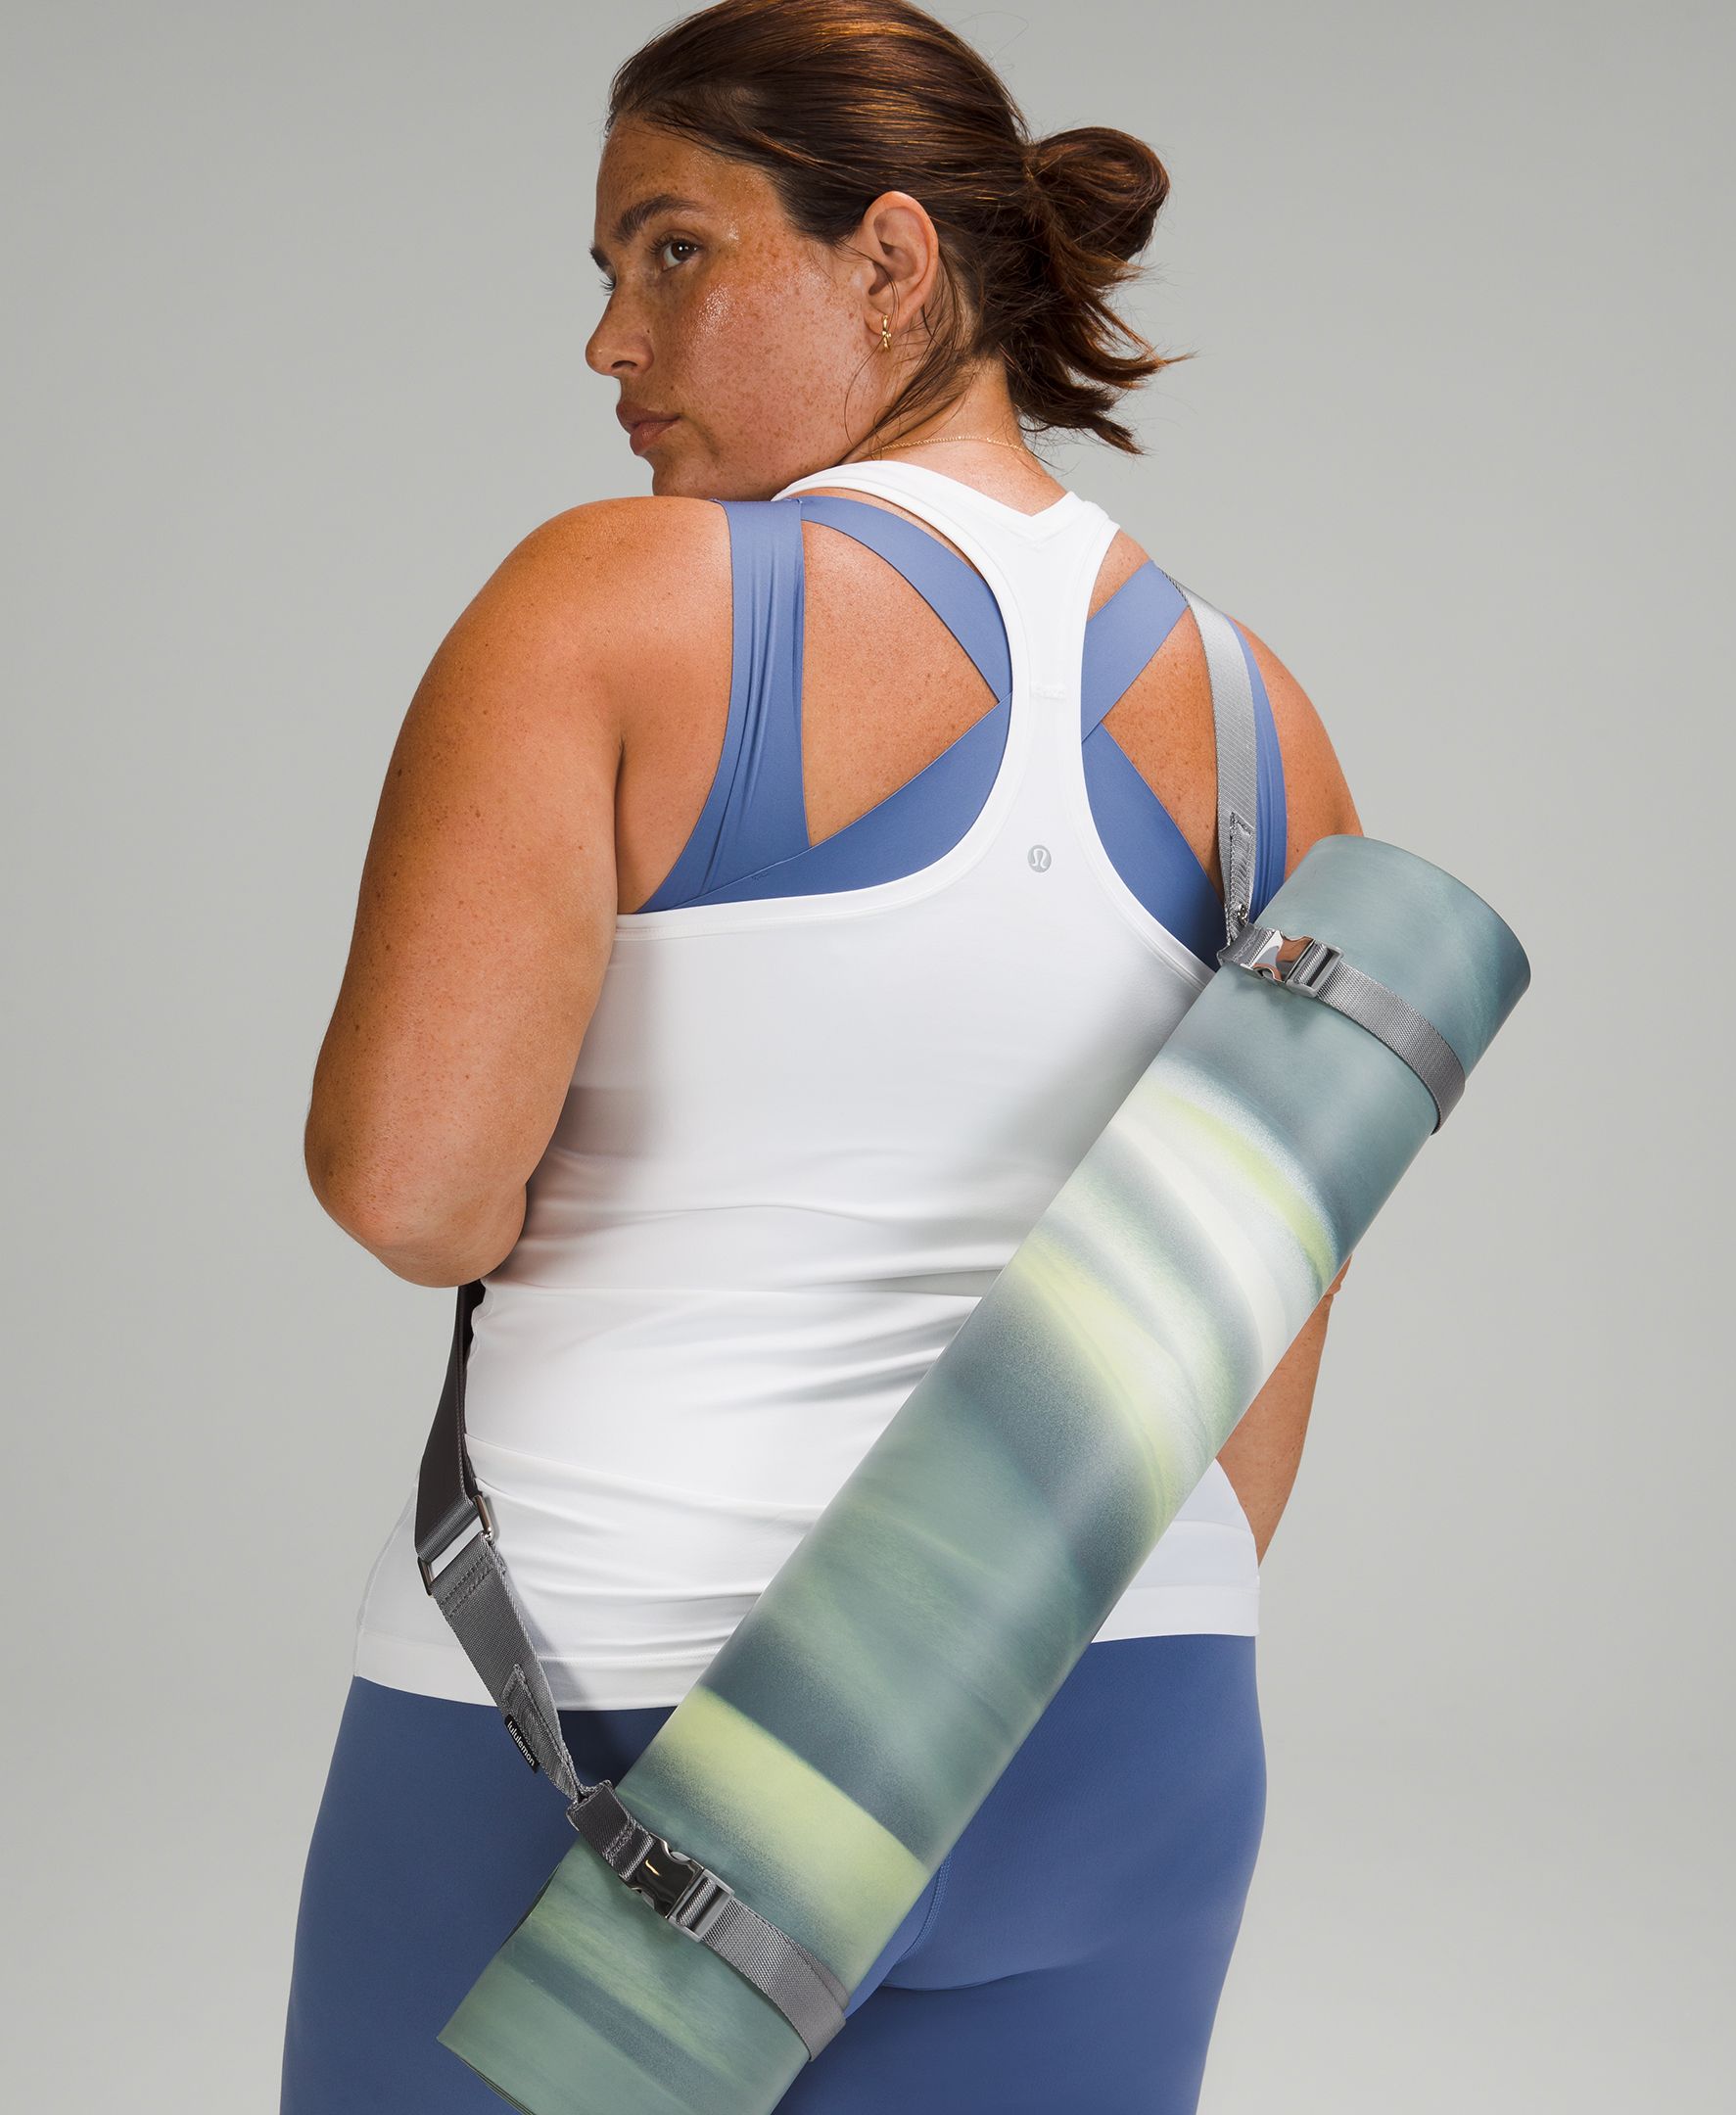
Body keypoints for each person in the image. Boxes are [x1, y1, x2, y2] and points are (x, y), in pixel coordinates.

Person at [282, 2, 1361, 2108]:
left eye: (673, 250)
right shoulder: (1258, 719)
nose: (611, 339)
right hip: (1115, 1722)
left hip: (615, 1713)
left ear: (889, 260)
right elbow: (1263, 1323)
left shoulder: (608, 604)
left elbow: (414, 1193)